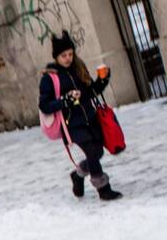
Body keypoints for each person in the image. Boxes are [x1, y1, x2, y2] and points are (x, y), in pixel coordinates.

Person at [39, 31, 122, 201]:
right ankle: (103, 189)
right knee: (92, 151)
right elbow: (45, 105)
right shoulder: (50, 78)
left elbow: (90, 92)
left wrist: (102, 81)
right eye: (63, 55)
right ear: (56, 57)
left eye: (70, 54)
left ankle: (78, 175)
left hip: (90, 118)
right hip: (72, 124)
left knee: (97, 152)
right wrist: (66, 100)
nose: (68, 58)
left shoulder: (78, 68)